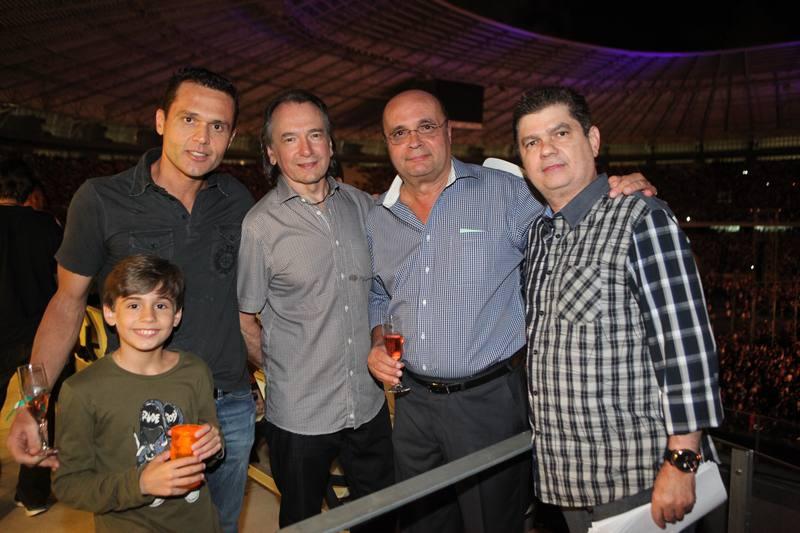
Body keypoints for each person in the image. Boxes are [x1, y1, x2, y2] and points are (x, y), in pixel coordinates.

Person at [366, 89, 655, 533]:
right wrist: (375, 342)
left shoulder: (507, 192)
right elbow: (377, 295)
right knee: (422, 525)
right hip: (412, 405)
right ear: (387, 143)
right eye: (399, 133)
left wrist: (617, 189)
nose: (414, 141)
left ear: (448, 131)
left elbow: (573, 213)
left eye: (426, 126)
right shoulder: (376, 217)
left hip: (488, 402)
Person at [6, 66, 255, 532]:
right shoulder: (101, 199)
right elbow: (66, 303)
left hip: (229, 405)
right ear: (160, 120)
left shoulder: (236, 198)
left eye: (218, 126)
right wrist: (32, 406)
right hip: (141, 410)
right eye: (189, 120)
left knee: (218, 525)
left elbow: (245, 306)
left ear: (232, 136)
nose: (202, 139)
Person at [513, 86, 723, 532]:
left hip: (639, 482)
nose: (545, 149)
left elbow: (685, 344)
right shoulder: (538, 238)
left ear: (592, 140)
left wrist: (682, 460)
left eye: (560, 133)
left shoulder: (640, 218)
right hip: (567, 481)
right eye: (531, 142)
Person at [238, 89, 394, 529]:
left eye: (315, 135)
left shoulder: (362, 206)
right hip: (300, 415)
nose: (305, 150)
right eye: (289, 139)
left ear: (330, 142)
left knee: (383, 519)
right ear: (271, 152)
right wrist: (282, 370)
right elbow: (245, 318)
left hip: (367, 405)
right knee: (302, 522)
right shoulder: (260, 226)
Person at [53, 254, 223, 532]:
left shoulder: (195, 371)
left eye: (161, 305)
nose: (148, 317)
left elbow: (211, 435)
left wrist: (214, 444)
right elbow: (68, 484)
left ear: (177, 315)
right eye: (134, 304)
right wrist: (140, 484)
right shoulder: (81, 390)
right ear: (110, 312)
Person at [1, 159, 64, 517]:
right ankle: (33, 495)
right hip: (37, 335)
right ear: (29, 191)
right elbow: (61, 281)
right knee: (38, 413)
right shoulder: (47, 225)